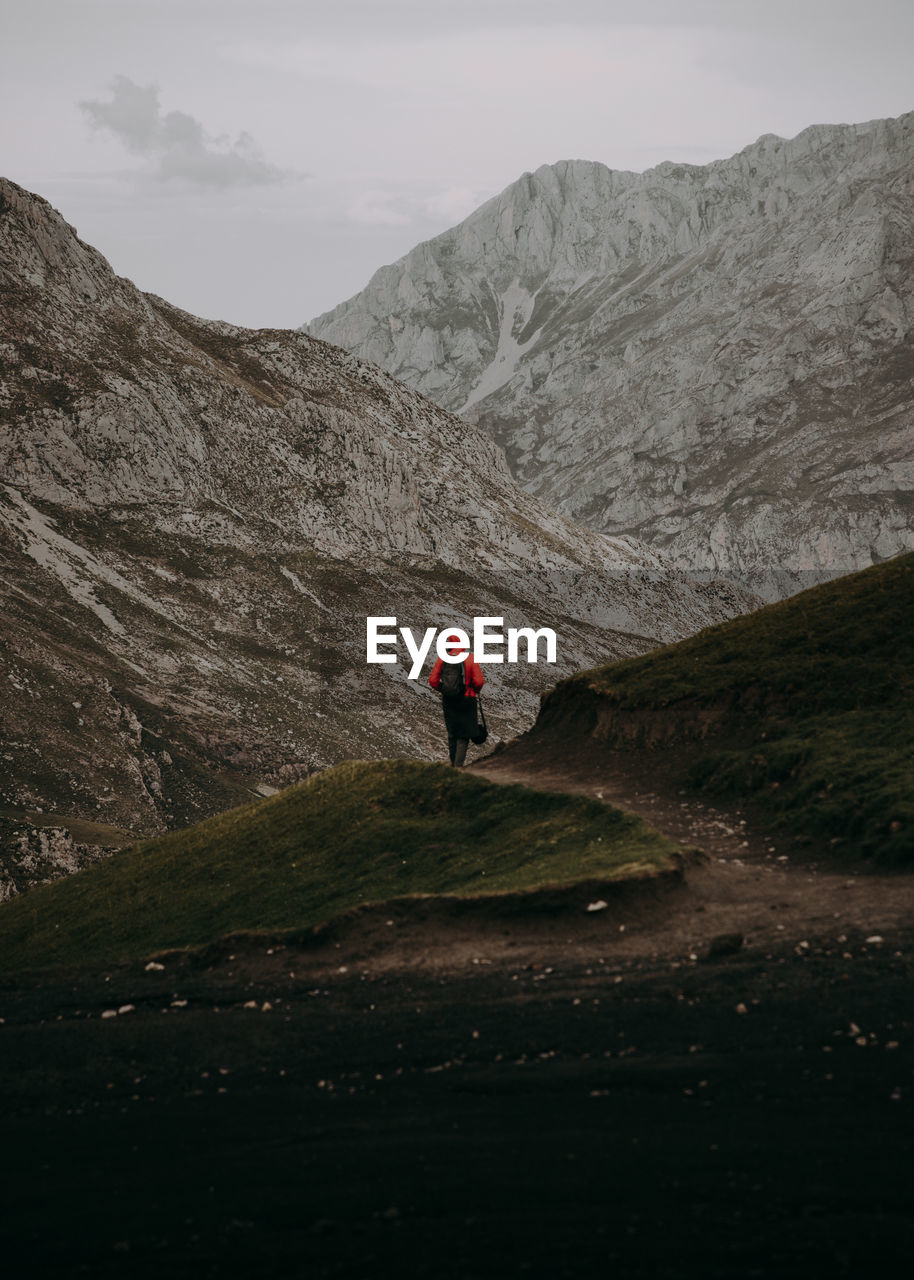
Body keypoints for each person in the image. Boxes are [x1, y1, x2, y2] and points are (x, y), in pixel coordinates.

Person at [428, 632, 485, 767]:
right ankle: (458, 766)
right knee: (463, 735)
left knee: (452, 732)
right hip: (467, 699)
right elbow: (479, 681)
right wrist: (474, 690)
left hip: (449, 700)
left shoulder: (443, 659)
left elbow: (432, 680)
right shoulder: (470, 658)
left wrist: (444, 689)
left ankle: (453, 764)